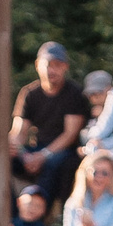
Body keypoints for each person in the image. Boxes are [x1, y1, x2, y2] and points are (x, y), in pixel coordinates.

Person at [12, 42, 89, 202]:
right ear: (37, 65)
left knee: (54, 164)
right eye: (47, 65)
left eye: (57, 65)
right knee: (4, 159)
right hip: (36, 149)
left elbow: (70, 135)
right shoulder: (29, 93)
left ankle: (40, 210)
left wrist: (43, 156)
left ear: (65, 67)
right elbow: (18, 132)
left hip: (64, 151)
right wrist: (22, 154)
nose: (51, 70)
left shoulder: (73, 93)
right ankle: (11, 210)